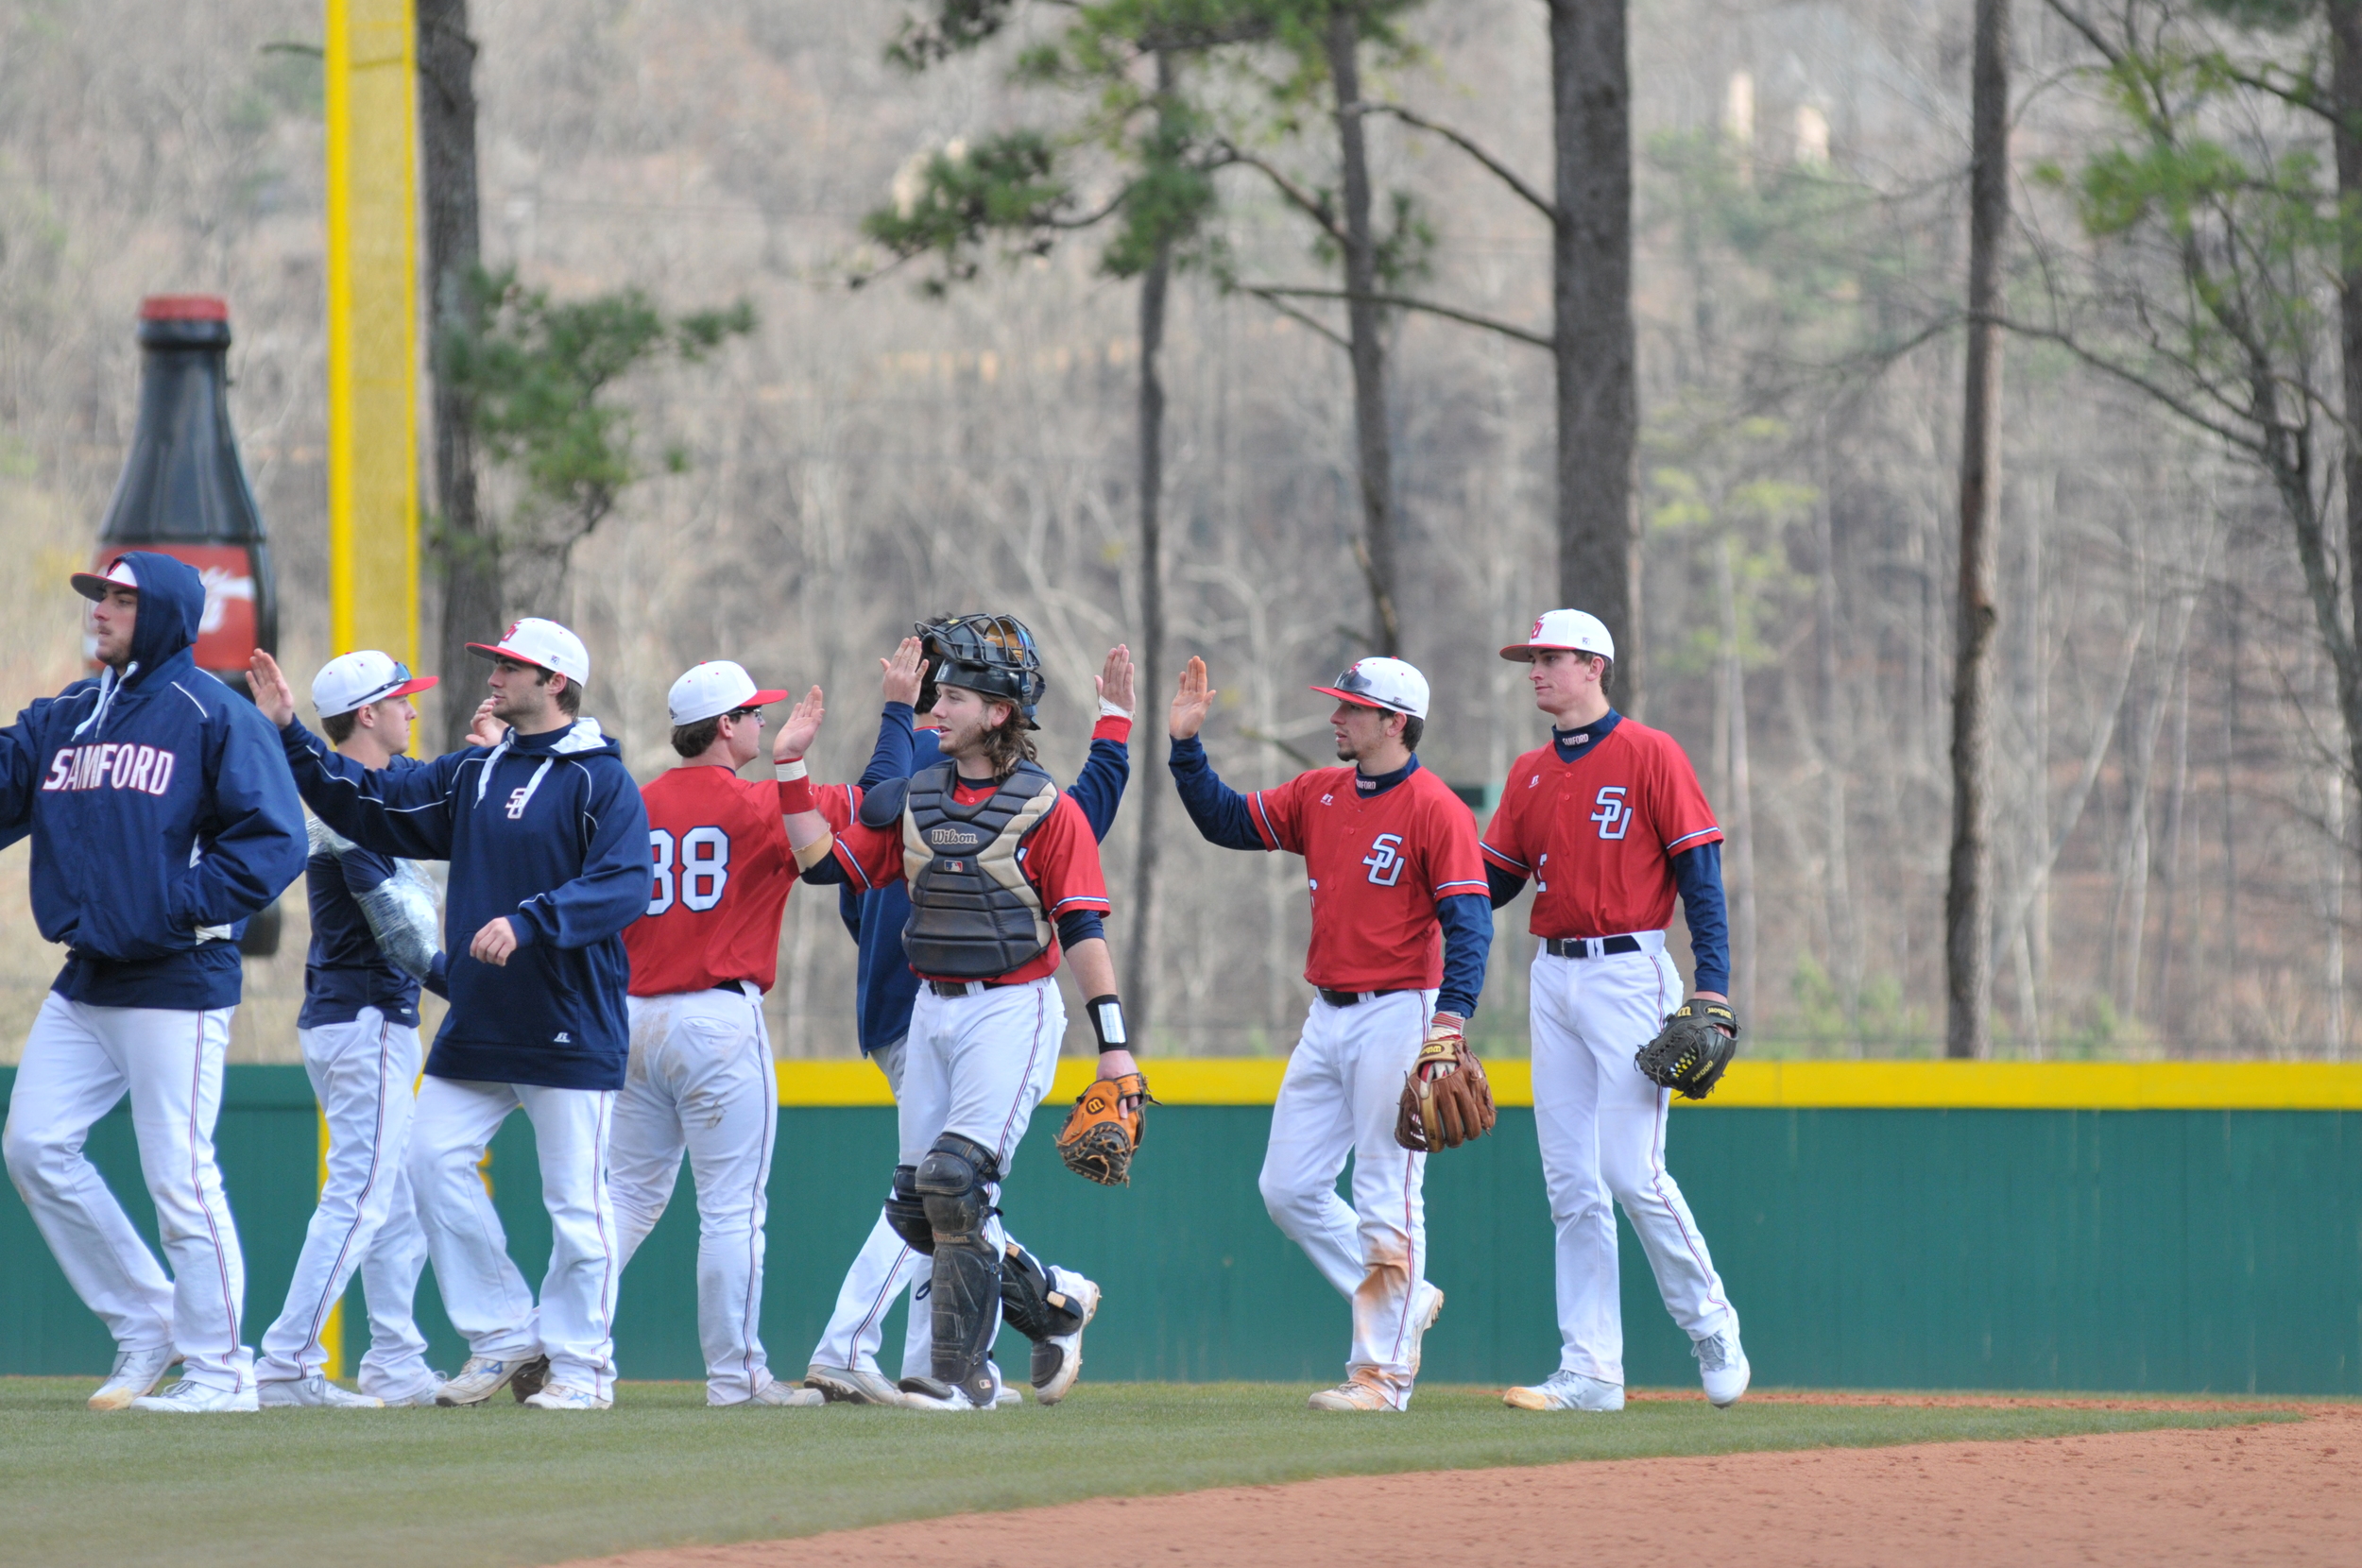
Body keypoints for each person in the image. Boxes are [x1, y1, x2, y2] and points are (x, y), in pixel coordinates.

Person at [249, 617, 651, 1411]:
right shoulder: (475, 771)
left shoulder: (601, 779)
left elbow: (625, 884)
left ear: (556, 683)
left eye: (511, 666)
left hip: (569, 1016)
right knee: (430, 1163)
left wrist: (533, 919)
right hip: (480, 1018)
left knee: (577, 1204)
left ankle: (582, 1366)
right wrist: (293, 734)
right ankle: (504, 1333)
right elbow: (368, 802)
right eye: (495, 663)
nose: (493, 676)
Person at [783, 613, 1138, 1413]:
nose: (937, 707)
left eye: (956, 695)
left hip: (1010, 1008)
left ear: (999, 712)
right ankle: (1051, 1304)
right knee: (922, 1202)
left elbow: (1081, 923)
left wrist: (1114, 1047)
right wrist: (788, 770)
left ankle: (958, 1376)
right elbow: (825, 865)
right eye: (935, 694)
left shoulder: (1045, 805)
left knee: (955, 1182)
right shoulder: (916, 793)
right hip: (929, 1007)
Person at [0, 553, 308, 1413]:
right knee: (34, 1147)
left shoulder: (210, 711)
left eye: (123, 598)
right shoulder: (67, 714)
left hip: (179, 975)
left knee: (179, 1174)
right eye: (99, 594)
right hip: (90, 973)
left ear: (167, 611)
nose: (101, 608)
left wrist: (181, 907)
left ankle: (222, 1372)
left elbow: (273, 838)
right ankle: (148, 1321)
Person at [1166, 654, 1491, 1411]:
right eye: (1339, 703)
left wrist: (1449, 1024)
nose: (1336, 716)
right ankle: (1405, 1301)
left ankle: (1381, 1378)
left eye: (1353, 707)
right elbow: (1226, 821)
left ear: (1395, 723)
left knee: (1386, 1192)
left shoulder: (1436, 809)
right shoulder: (1320, 793)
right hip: (1328, 1013)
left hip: (1399, 1008)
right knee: (1287, 1188)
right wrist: (1186, 748)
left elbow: (1469, 924)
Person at [1483, 610, 1748, 1412]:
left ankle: (1711, 1322)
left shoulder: (1650, 753)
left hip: (1630, 971)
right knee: (1571, 1182)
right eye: (1532, 659)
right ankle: (1592, 1369)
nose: (1535, 669)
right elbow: (1491, 886)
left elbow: (1700, 876)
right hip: (1553, 977)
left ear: (1594, 666)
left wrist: (1713, 986)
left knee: (1631, 1172)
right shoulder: (1529, 772)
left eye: (1551, 658)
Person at [608, 661, 825, 1408]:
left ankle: (564, 1346)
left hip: (633, 1019)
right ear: (725, 726)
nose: (763, 724)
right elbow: (854, 818)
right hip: (716, 1018)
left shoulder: (633, 803)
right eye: (754, 715)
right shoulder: (758, 802)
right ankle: (735, 1379)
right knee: (731, 1209)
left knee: (622, 1202)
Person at [253, 651, 451, 1408]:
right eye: (401, 699)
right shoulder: (343, 805)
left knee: (394, 1196)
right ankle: (288, 1363)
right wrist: (463, 986)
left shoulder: (368, 795)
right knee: (363, 1197)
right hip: (363, 1014)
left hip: (360, 1015)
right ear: (367, 713)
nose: (411, 710)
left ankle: (396, 1360)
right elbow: (400, 933)